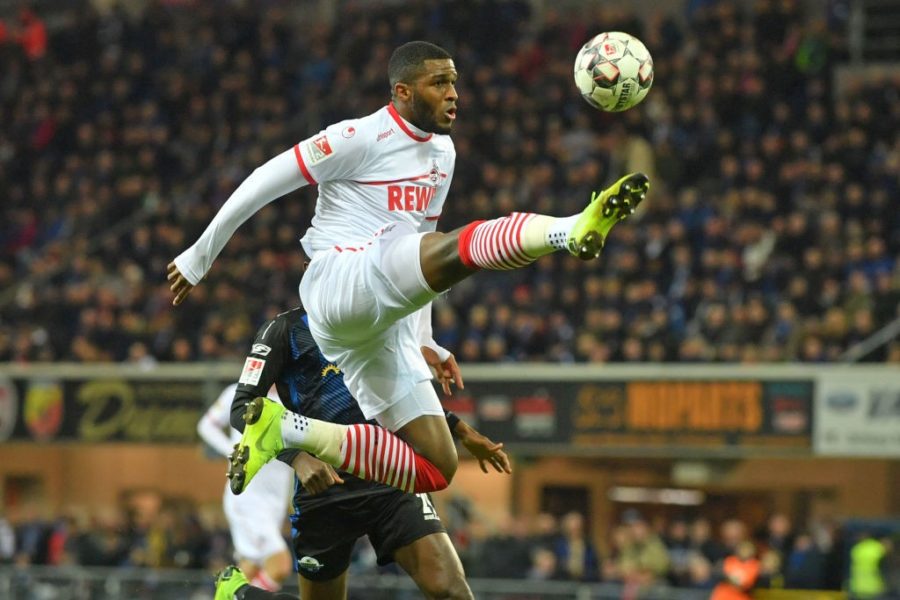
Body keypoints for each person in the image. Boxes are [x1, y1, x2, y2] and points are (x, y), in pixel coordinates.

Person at [168, 40, 649, 497]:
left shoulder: (444, 153)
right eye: (439, 82)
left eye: (455, 82)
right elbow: (262, 181)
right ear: (402, 92)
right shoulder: (356, 137)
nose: (454, 93)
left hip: (382, 321)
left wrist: (425, 339)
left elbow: (424, 245)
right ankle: (569, 229)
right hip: (340, 279)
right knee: (450, 250)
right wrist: (199, 256)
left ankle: (286, 430)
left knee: (438, 467)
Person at [214, 306, 511, 600]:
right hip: (323, 487)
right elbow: (242, 408)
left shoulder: (373, 318)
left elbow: (402, 394)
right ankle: (238, 593)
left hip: (389, 472)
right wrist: (298, 459)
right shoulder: (284, 330)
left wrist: (461, 430)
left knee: (451, 591)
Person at [197, 384, 294, 593]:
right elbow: (207, 425)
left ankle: (228, 595)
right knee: (280, 565)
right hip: (248, 497)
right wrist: (232, 452)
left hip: (274, 503)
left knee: (249, 569)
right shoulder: (239, 391)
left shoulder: (295, 395)